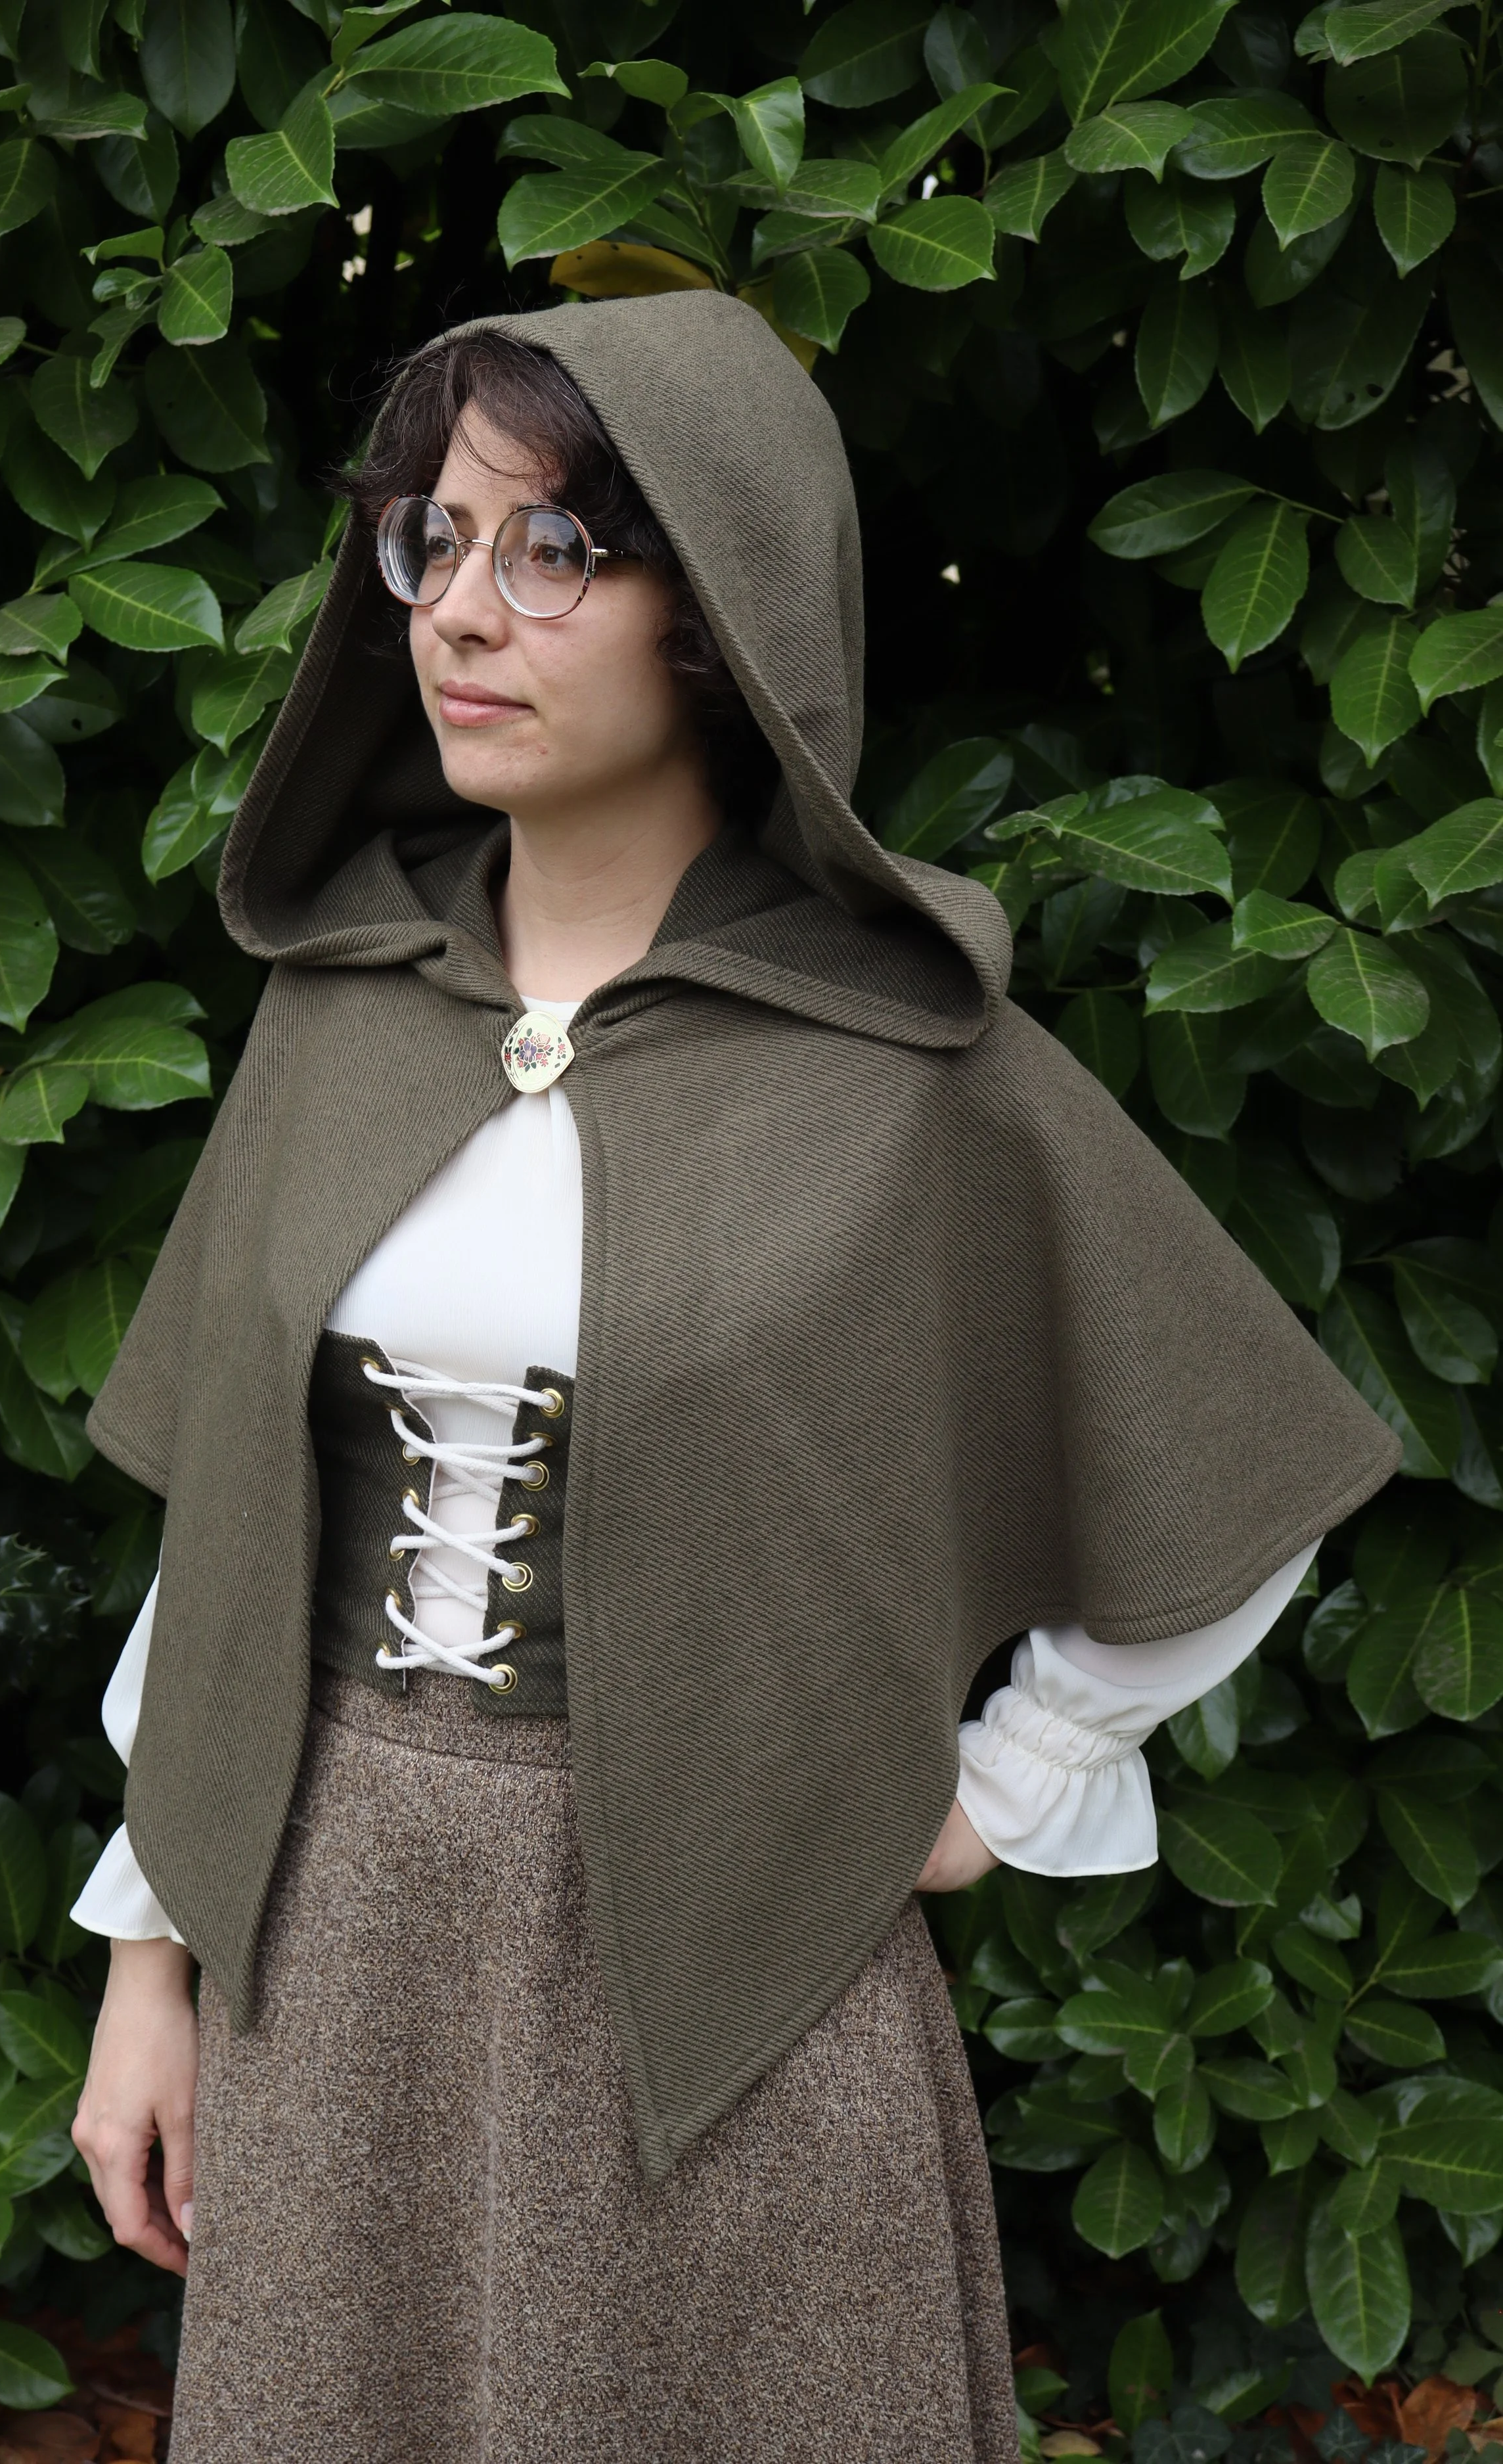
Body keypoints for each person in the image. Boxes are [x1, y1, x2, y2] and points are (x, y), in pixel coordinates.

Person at [68, 292, 1399, 2464]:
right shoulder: (344, 1011)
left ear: (722, 616)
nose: (462, 610)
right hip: (331, 1941)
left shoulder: (899, 1071)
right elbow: (229, 1536)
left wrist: (1003, 1782)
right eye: (431, 539)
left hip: (723, 1974)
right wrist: (149, 1957)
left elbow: (1227, 1478)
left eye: (553, 550)